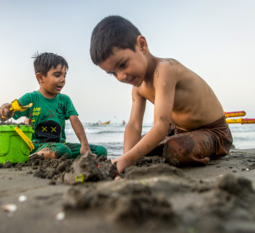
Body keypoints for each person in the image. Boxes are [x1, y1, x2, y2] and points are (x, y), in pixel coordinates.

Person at [90, 15, 233, 173]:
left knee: (176, 150)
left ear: (142, 45)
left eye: (123, 64)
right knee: (138, 146)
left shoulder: (165, 69)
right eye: (113, 73)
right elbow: (133, 125)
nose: (121, 76)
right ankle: (171, 143)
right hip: (177, 130)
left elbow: (160, 125)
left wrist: (128, 159)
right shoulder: (138, 87)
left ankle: (198, 148)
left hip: (212, 131)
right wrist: (126, 159)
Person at [0, 52, 107, 159]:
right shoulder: (31, 98)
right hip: (36, 145)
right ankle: (31, 157)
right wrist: (4, 110)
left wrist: (85, 146)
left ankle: (53, 156)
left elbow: (74, 120)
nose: (63, 80)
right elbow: (5, 114)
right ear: (40, 78)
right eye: (57, 75)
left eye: (64, 75)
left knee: (101, 151)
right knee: (62, 150)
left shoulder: (65, 100)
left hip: (60, 144)